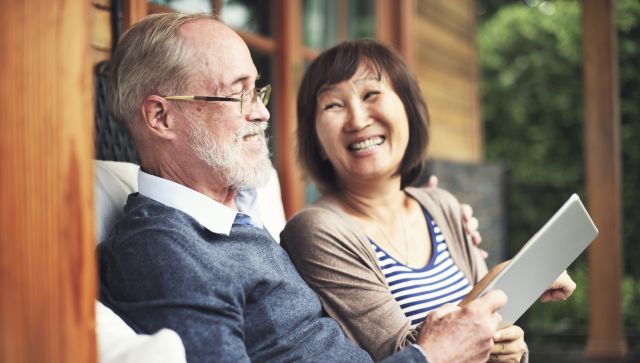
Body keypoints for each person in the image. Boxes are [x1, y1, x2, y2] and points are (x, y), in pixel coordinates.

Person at [98, 12, 509, 363]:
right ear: (161, 117)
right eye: (236, 95)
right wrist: (432, 356)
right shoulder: (163, 250)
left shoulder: (237, 211)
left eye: (257, 91)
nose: (261, 112)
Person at [280, 40, 576, 362]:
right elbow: (404, 354)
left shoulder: (442, 205)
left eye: (370, 94)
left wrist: (512, 350)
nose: (357, 120)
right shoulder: (316, 229)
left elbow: (491, 330)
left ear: (408, 110)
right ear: (318, 142)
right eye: (333, 106)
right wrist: (509, 274)